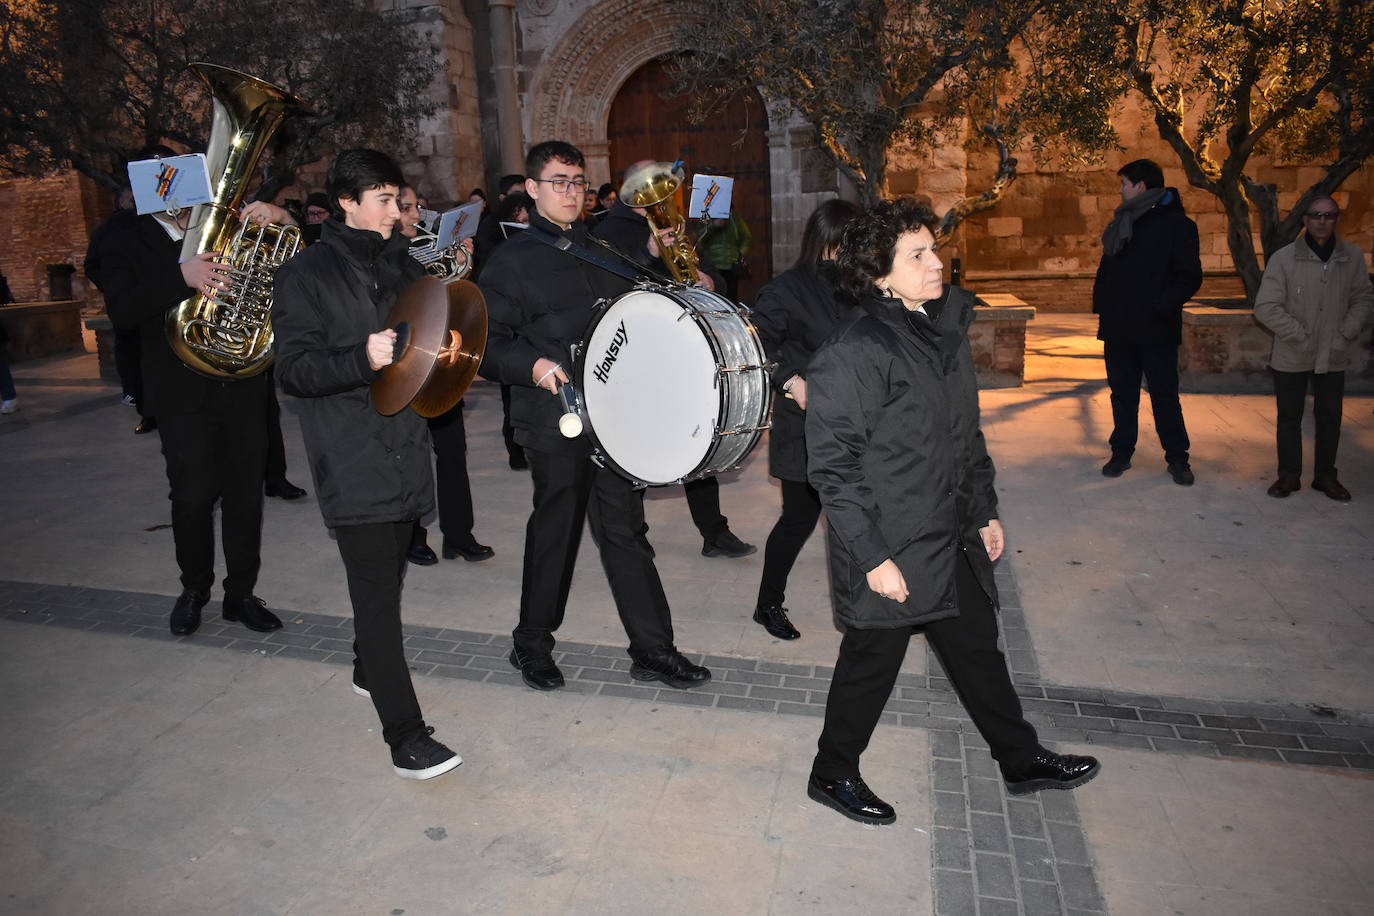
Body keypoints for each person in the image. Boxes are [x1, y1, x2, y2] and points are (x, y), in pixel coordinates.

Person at [804, 198, 1099, 826]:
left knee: (976, 652)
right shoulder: (852, 351)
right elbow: (834, 469)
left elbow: (965, 434)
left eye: (933, 249)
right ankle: (832, 774)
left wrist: (985, 510)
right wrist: (873, 557)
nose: (937, 263)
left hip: (951, 530)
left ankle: (1019, 758)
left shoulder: (937, 332)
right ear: (879, 273)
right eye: (918, 255)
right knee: (870, 666)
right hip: (892, 543)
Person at [479, 140, 712, 693]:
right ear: (531, 190)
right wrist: (530, 362)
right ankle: (530, 644)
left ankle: (654, 651)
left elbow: (641, 316)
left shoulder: (606, 247)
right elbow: (485, 344)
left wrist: (664, 263)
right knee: (556, 531)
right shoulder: (510, 261)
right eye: (559, 182)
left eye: (579, 182)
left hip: (615, 417)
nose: (571, 192)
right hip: (555, 416)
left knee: (626, 532)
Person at [273, 149, 461, 780]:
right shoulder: (304, 275)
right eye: (384, 199)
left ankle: (363, 664)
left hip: (407, 449)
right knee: (377, 593)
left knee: (388, 572)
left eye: (399, 199)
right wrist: (362, 357)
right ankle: (405, 736)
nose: (397, 210)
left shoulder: (406, 266)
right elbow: (294, 371)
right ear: (347, 203)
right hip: (351, 455)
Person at [87, 145, 284, 638]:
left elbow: (282, 274)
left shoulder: (226, 224)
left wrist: (280, 217)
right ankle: (195, 588)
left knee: (245, 496)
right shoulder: (122, 238)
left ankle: (241, 593)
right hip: (178, 391)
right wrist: (181, 277)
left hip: (240, 381)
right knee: (192, 497)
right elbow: (124, 311)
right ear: (137, 187)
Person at [593, 167, 756, 559]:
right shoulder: (606, 231)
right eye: (647, 187)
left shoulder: (668, 223)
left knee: (699, 437)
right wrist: (649, 253)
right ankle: (634, 532)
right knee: (639, 443)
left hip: (683, 343)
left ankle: (714, 532)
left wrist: (709, 279)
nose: (658, 196)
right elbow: (607, 289)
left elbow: (692, 263)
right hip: (640, 352)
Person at [749, 199, 861, 640]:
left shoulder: (862, 287)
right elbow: (757, 349)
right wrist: (791, 380)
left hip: (856, 425)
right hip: (805, 427)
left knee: (858, 518)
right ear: (826, 241)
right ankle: (767, 604)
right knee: (799, 518)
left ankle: (868, 605)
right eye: (847, 244)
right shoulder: (785, 290)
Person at [394, 183, 494, 565]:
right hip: (407, 364)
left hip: (443, 360)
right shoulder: (389, 254)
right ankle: (413, 536)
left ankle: (459, 535)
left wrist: (464, 259)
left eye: (417, 205)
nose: (414, 216)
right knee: (413, 455)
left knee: (452, 452)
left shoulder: (432, 243)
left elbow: (461, 293)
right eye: (404, 208)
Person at [1253, 197, 1373, 501]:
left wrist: (1344, 333)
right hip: (1294, 351)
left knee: (1330, 416)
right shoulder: (1284, 258)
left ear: (1337, 220)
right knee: (1289, 417)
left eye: (1329, 216)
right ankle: (1289, 476)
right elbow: (1266, 307)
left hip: (1333, 352)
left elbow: (1363, 299)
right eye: (1316, 215)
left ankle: (1325, 476)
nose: (1322, 221)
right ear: (1305, 220)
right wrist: (1299, 334)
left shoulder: (1352, 257)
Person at [1092, 158, 1202, 485]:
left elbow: (1189, 277)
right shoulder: (1123, 221)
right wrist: (1103, 305)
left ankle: (1178, 457)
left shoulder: (1178, 225)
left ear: (1140, 186)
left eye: (1123, 183)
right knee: (1122, 394)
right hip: (1119, 327)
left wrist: (1160, 306)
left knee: (1164, 395)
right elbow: (1107, 269)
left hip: (1156, 328)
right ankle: (1122, 451)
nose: (1120, 189)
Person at [697, 207, 752, 301]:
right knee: (715, 298)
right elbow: (698, 238)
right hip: (713, 263)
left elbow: (746, 237)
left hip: (731, 263)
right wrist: (712, 226)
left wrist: (739, 255)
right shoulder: (706, 216)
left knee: (732, 297)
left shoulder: (734, 217)